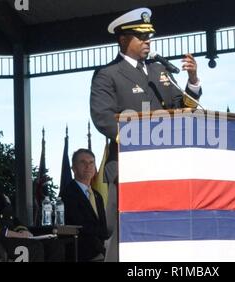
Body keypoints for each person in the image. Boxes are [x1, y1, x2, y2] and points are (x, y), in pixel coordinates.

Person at [90, 7, 203, 261]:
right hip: (128, 166)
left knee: (162, 233)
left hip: (163, 166)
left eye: (149, 37)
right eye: (140, 37)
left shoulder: (157, 71)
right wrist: (141, 141)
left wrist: (193, 80)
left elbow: (182, 109)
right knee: (124, 235)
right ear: (123, 39)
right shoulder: (107, 75)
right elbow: (103, 118)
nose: (147, 42)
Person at [60, 149, 108, 261]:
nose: (88, 166)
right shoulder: (67, 194)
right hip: (80, 253)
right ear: (73, 168)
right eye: (83, 162)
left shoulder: (97, 196)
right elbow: (80, 225)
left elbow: (103, 226)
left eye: (91, 162)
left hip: (102, 252)